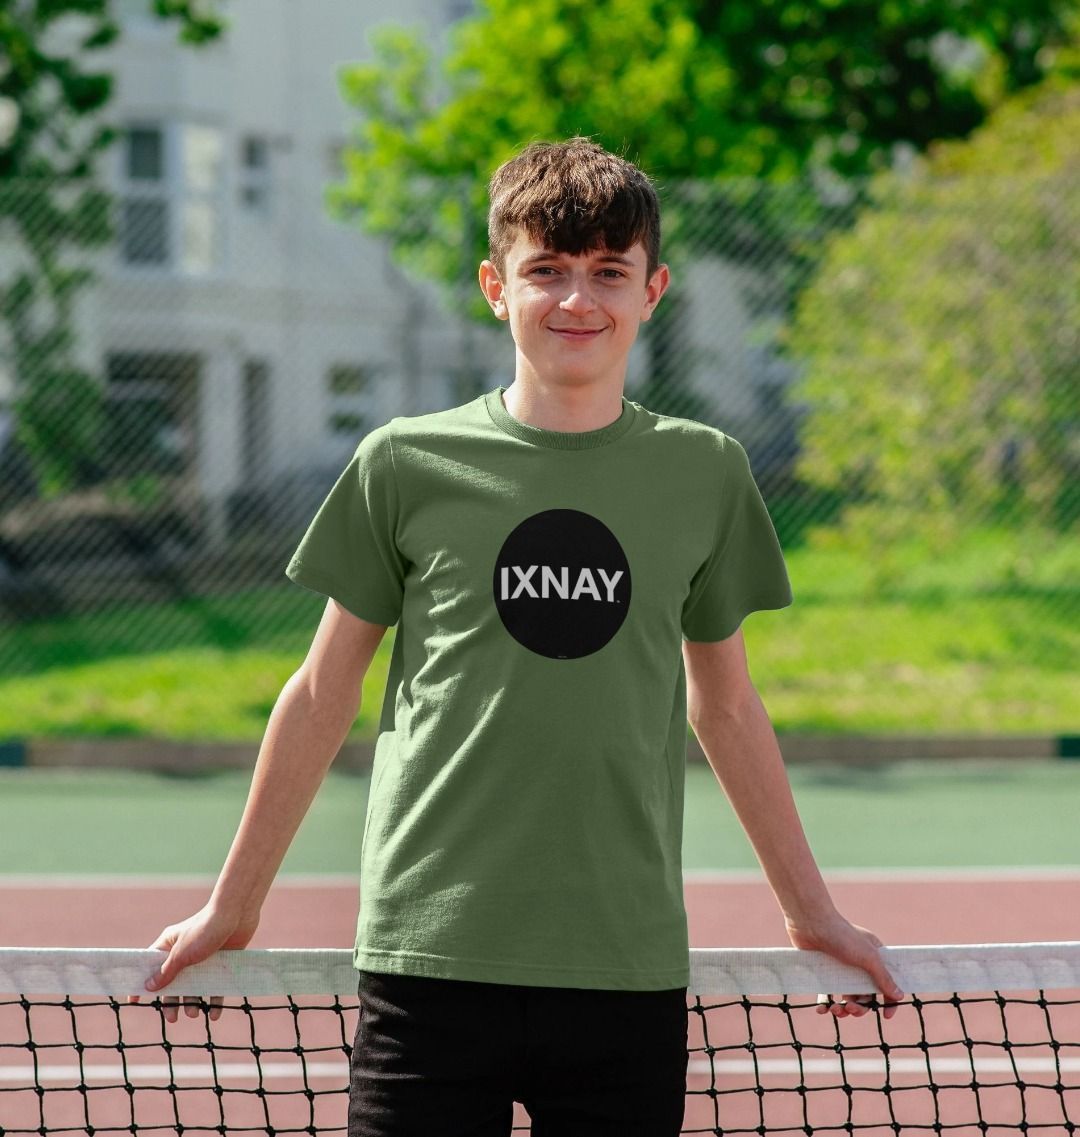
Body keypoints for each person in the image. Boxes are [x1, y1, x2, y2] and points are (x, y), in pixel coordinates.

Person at [137, 137, 904, 1137]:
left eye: (606, 273)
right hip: (428, 962)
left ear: (652, 290)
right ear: (497, 286)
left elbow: (726, 705)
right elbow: (323, 694)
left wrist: (812, 915)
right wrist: (234, 905)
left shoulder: (706, 474)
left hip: (622, 967)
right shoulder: (404, 463)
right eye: (546, 270)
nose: (576, 299)